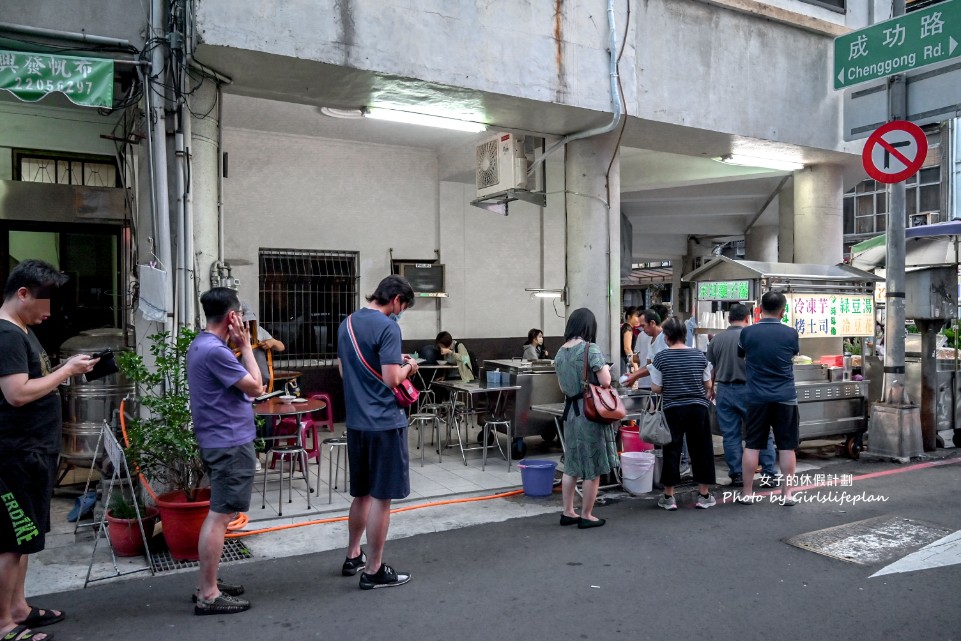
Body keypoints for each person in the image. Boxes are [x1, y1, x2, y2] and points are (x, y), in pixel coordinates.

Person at [0, 259, 98, 641]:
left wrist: (65, 367)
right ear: (23, 293)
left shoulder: (21, 331)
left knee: (24, 539)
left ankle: (19, 608)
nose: (49, 312)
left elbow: (32, 380)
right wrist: (65, 372)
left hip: (32, 453)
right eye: (45, 301)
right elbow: (17, 394)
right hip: (15, 456)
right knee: (11, 541)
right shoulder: (7, 335)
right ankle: (5, 625)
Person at [337, 275, 419, 589]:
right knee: (382, 499)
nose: (401, 313)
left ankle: (352, 555)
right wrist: (409, 367)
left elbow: (345, 370)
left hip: (356, 423)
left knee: (361, 495)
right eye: (404, 306)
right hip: (384, 423)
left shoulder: (347, 324)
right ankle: (373, 569)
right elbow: (390, 379)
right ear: (396, 299)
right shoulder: (388, 327)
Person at [187, 287, 265, 615]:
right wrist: (247, 347)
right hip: (229, 443)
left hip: (219, 440)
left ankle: (210, 583)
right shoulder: (215, 351)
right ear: (233, 317)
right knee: (220, 516)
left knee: (221, 513)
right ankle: (208, 593)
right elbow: (257, 385)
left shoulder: (202, 345)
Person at [554, 308, 618, 529]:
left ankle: (567, 512)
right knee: (592, 464)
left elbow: (562, 386)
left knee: (571, 464)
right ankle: (587, 515)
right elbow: (606, 381)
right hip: (589, 413)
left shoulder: (560, 352)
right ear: (589, 327)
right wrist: (605, 370)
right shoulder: (590, 349)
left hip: (570, 412)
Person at [737, 291, 801, 506]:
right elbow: (792, 354)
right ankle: (787, 493)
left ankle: (747, 493)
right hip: (785, 396)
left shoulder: (747, 333)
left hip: (756, 397)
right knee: (786, 446)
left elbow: (742, 355)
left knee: (752, 444)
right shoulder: (791, 334)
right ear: (783, 311)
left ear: (759, 309)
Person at [705, 304, 778, 487]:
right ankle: (769, 473)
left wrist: (710, 388)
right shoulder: (753, 336)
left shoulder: (716, 340)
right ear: (747, 318)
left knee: (731, 435)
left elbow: (710, 369)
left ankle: (737, 474)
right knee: (761, 432)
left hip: (725, 391)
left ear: (729, 319)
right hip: (751, 390)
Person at [648, 318, 716, 510]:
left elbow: (657, 388)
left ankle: (669, 497)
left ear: (667, 337)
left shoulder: (661, 358)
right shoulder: (698, 356)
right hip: (698, 408)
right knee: (701, 449)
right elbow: (708, 385)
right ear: (685, 335)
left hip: (673, 409)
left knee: (672, 450)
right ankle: (704, 495)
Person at [620, 307, 641, 374]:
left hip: (624, 359)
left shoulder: (627, 327)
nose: (638, 319)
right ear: (629, 316)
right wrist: (635, 365)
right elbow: (627, 348)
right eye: (636, 316)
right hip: (623, 360)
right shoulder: (628, 329)